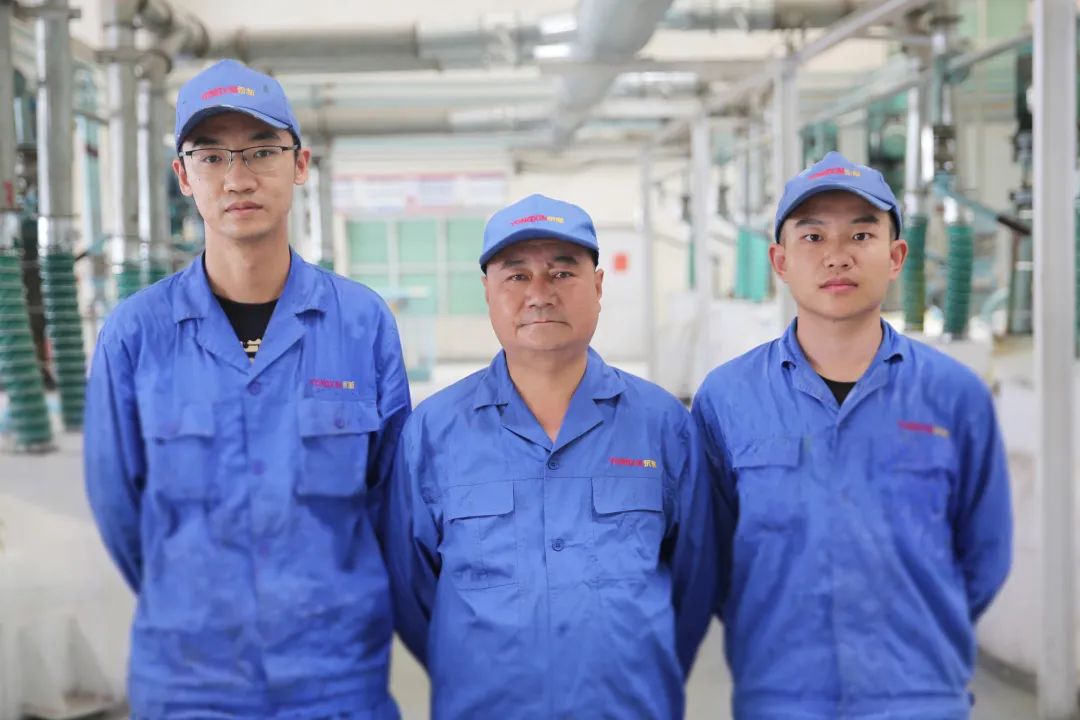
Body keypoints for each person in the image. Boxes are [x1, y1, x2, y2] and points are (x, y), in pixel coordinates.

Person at [83, 59, 409, 719]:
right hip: (191, 679)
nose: (237, 178)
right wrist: (194, 602)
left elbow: (394, 502)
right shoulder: (137, 334)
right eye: (211, 156)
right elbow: (119, 507)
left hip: (336, 675)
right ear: (183, 176)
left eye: (261, 151)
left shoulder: (361, 323)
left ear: (299, 164)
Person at [692, 151, 1013, 719]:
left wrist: (917, 636)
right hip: (781, 695)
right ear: (780, 261)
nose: (837, 255)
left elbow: (984, 554)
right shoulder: (727, 398)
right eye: (813, 237)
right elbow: (709, 557)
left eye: (861, 235)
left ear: (896, 256)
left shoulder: (955, 396)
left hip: (919, 697)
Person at [385, 193, 718, 718]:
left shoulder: (662, 425)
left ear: (598, 286)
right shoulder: (433, 432)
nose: (539, 294)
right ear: (487, 291)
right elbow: (412, 589)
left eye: (562, 273)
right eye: (517, 276)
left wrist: (631, 662)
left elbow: (695, 581)